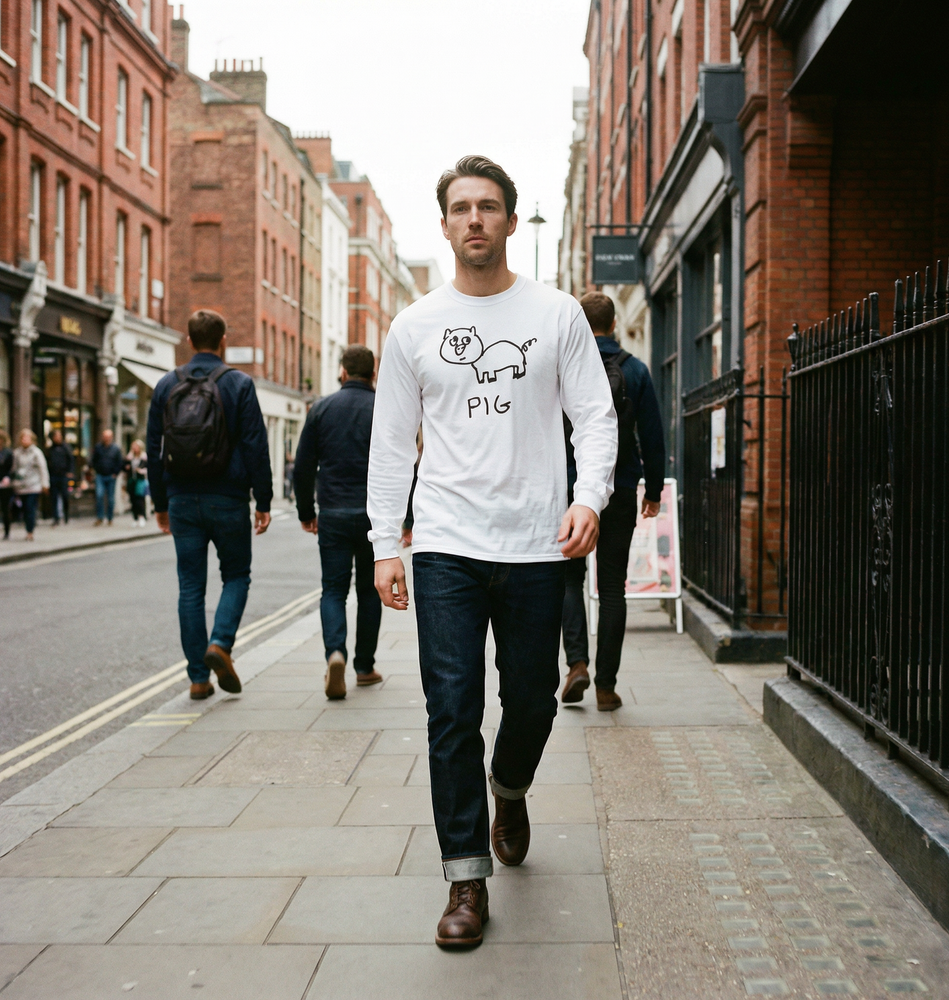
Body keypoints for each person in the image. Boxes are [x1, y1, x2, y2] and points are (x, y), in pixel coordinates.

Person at [367, 155, 617, 949]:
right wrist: (384, 543)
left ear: (509, 220)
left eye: (489, 207)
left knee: (535, 699)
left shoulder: (556, 315)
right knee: (451, 710)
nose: (475, 219)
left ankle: (509, 789)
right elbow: (389, 447)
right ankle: (465, 879)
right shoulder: (414, 327)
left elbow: (596, 417)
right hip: (445, 544)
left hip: (538, 544)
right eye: (461, 208)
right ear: (444, 225)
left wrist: (590, 496)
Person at [147, 309, 273, 700]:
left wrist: (160, 502)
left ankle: (198, 678)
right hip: (228, 498)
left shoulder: (167, 384)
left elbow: (154, 449)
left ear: (188, 340)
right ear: (223, 341)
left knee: (190, 587)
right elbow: (255, 445)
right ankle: (220, 642)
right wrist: (263, 500)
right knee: (236, 575)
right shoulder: (238, 384)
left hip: (182, 499)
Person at [559, 292, 667, 710]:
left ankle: (577, 664)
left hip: (572, 492)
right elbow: (653, 439)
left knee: (570, 580)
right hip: (620, 489)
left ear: (580, 326)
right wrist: (654, 492)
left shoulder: (566, 370)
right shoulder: (636, 370)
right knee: (612, 589)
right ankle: (606, 687)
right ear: (615, 323)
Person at [294, 344, 383, 699]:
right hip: (373, 515)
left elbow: (302, 467)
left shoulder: (321, 409)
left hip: (332, 512)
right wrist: (406, 517)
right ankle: (364, 666)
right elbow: (402, 462)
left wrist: (306, 512)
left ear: (343, 371)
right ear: (373, 373)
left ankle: (335, 652)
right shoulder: (382, 407)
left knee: (333, 589)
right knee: (368, 590)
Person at [11, 429, 49, 541]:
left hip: (34, 485)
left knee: (30, 508)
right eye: (22, 438)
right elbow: (13, 468)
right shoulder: (17, 453)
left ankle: (30, 531)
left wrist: (45, 484)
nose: (24, 440)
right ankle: (28, 528)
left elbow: (43, 469)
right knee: (24, 509)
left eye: (27, 438)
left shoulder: (36, 452)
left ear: (32, 440)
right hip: (21, 486)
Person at [91, 428, 124, 525]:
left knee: (110, 498)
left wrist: (115, 473)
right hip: (100, 475)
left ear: (111, 437)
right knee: (99, 495)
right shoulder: (98, 447)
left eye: (108, 437)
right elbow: (93, 460)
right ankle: (100, 517)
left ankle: (110, 518)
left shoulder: (115, 449)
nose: (106, 439)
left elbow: (119, 462)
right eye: (105, 436)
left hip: (111, 476)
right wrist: (96, 470)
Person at [46, 429, 74, 526]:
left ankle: (66, 515)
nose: (58, 438)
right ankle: (55, 518)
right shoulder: (50, 449)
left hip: (63, 475)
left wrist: (70, 472)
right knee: (54, 497)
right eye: (56, 436)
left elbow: (71, 460)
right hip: (53, 475)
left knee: (65, 496)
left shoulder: (66, 448)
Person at [125, 439, 149, 527]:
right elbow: (125, 466)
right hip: (132, 480)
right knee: (132, 499)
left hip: (140, 480)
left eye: (136, 447)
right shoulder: (130, 456)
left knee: (139, 499)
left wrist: (141, 470)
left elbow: (147, 467)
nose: (134, 448)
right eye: (133, 447)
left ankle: (142, 517)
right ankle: (135, 518)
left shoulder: (144, 456)